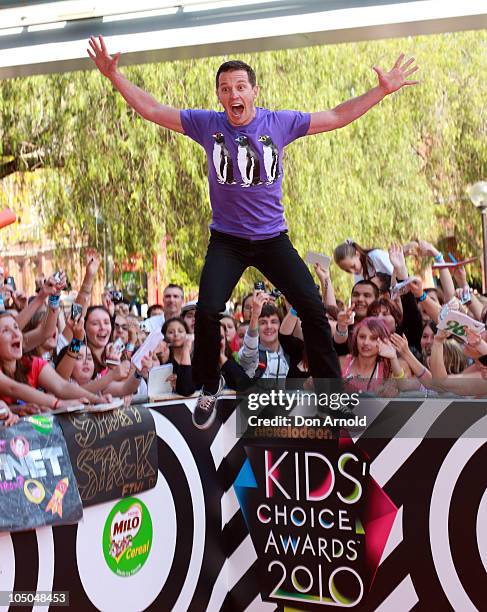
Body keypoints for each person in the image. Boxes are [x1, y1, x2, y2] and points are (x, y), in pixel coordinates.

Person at [88, 35, 419, 428]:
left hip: (271, 240)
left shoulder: (279, 122)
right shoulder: (206, 124)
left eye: (240, 87)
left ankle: (331, 396)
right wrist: (114, 76)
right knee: (208, 310)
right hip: (227, 241)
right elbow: (153, 109)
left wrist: (380, 91)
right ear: (218, 96)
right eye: (225, 89)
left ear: (254, 91)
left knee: (313, 309)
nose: (233, 94)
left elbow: (335, 115)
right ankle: (209, 386)